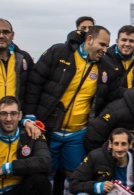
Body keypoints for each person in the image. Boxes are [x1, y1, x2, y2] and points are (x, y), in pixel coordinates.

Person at [24, 25, 112, 176]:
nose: (105, 50)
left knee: (75, 175)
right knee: (45, 173)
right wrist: (29, 117)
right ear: (89, 39)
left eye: (107, 46)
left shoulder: (105, 67)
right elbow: (34, 84)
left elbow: (112, 95)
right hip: (48, 129)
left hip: (77, 135)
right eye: (102, 44)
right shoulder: (59, 52)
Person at [96, 25, 134, 113]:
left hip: (132, 112)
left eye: (131, 41)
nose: (127, 44)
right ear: (117, 41)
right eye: (124, 40)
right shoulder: (104, 60)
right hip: (110, 112)